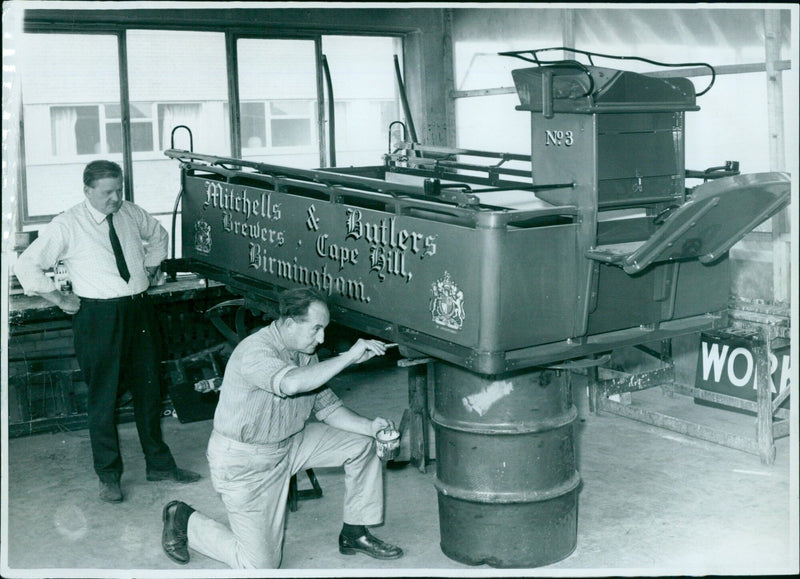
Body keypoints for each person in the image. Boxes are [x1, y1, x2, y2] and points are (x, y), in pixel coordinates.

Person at [161, 287, 404, 568]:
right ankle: (183, 518)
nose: (322, 338)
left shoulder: (305, 352)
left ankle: (355, 532)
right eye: (315, 329)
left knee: (362, 442)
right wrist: (349, 357)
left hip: (291, 444)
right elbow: (291, 384)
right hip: (245, 463)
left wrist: (371, 427)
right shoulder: (256, 351)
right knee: (260, 566)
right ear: (289, 323)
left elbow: (327, 408)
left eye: (324, 329)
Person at [14, 160, 201, 503]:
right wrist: (58, 298)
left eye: (119, 190)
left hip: (139, 310)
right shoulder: (68, 224)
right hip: (98, 316)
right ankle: (109, 476)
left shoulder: (129, 212)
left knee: (149, 390)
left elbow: (158, 235)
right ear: (87, 191)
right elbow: (26, 264)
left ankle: (158, 464)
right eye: (107, 193)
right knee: (103, 398)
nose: (115, 198)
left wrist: (150, 264)